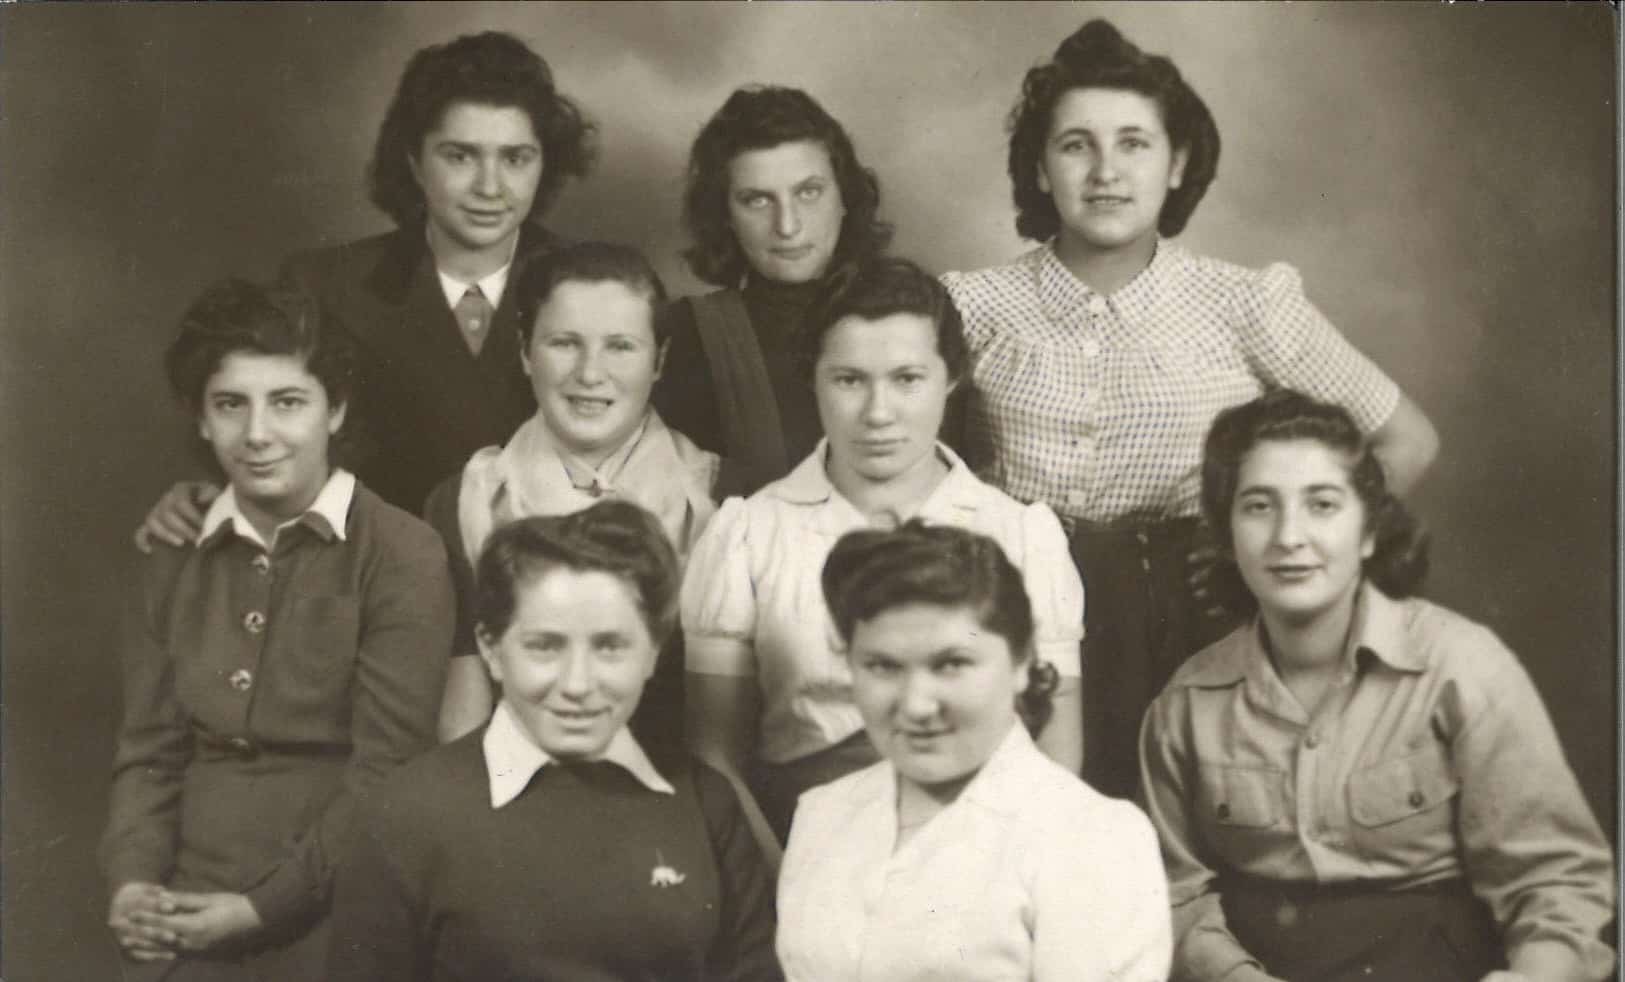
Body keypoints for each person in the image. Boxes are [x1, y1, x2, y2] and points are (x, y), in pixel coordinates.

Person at [941, 19, 1441, 799]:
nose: (1105, 171)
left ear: (1175, 164)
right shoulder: (971, 307)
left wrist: (1277, 564)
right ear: (1038, 167)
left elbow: (1405, 440)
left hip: (1199, 624)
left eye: (1133, 143)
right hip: (1022, 616)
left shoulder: (1244, 303)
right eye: (1075, 145)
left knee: (1203, 835)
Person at [1138, 389, 1615, 982]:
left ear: (1368, 531)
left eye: (1322, 504)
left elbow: (1556, 882)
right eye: (1259, 506)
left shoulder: (1462, 668)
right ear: (1228, 536)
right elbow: (1173, 894)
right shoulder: (1185, 705)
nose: (1289, 536)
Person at [102, 279, 454, 980]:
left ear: (336, 410)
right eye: (230, 404)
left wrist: (260, 910)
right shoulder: (172, 552)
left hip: (338, 904)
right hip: (185, 900)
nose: (257, 434)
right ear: (201, 419)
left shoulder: (400, 552)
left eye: (288, 402)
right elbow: (148, 752)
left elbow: (386, 775)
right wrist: (133, 884)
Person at [682, 257, 1083, 852]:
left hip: (983, 863)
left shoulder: (1022, 536)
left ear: (951, 377)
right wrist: (783, 883)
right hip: (798, 854)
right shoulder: (749, 533)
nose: (877, 413)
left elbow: (1055, 757)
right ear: (813, 379)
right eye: (849, 380)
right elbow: (716, 759)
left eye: (907, 379)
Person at [135, 30, 594, 545]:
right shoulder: (323, 285)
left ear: (544, 164)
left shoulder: (596, 289)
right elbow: (256, 414)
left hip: (549, 576)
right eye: (460, 156)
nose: (490, 187)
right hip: (366, 571)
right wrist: (212, 492)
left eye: (515, 158)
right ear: (414, 161)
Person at [327, 502, 780, 982]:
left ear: (652, 652)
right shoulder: (406, 814)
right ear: (490, 649)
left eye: (610, 646)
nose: (578, 683)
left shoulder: (707, 804)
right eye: (545, 646)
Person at [777, 521, 1170, 981]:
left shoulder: (1092, 837)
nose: (917, 705)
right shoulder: (822, 815)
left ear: (1022, 662)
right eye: (882, 666)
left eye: (952, 664)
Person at [426, 241, 718, 745]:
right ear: (525, 352)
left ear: (659, 360)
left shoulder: (724, 496)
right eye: (564, 343)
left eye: (620, 346)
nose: (589, 373)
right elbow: (463, 723)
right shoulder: (462, 502)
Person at [653, 85, 894, 496]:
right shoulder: (694, 335)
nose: (788, 226)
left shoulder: (913, 315)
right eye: (757, 201)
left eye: (808, 192)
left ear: (845, 197)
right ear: (725, 215)